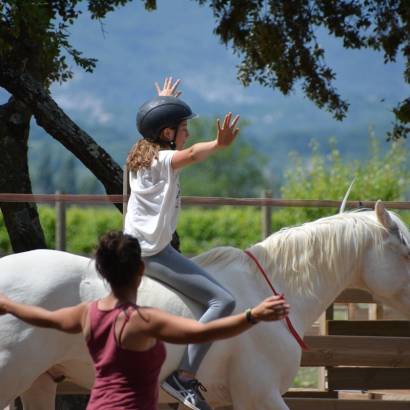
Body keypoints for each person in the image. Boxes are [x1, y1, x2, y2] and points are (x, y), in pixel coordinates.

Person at [0, 231, 290, 410]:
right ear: (141, 272)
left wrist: (9, 305)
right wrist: (252, 315)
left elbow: (44, 318)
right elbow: (205, 332)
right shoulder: (143, 320)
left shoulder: (86, 313)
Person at [123, 77, 243, 409]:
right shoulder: (163, 161)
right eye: (183, 127)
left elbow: (153, 129)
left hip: (140, 248)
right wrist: (218, 145)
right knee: (223, 302)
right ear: (166, 134)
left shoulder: (141, 156)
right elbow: (189, 154)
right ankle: (184, 377)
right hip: (152, 253)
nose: (187, 133)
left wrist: (162, 103)